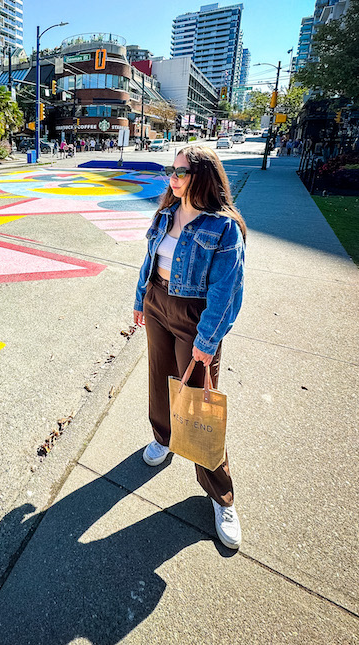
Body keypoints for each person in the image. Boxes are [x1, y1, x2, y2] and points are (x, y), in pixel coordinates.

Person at [133, 145, 246, 550]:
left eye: (181, 171)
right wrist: (139, 300)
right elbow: (149, 260)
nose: (173, 177)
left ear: (203, 175)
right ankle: (163, 438)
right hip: (157, 302)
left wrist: (207, 342)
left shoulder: (223, 227)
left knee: (198, 400)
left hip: (195, 316)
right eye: (171, 170)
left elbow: (227, 290)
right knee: (159, 379)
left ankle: (220, 495)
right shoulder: (166, 212)